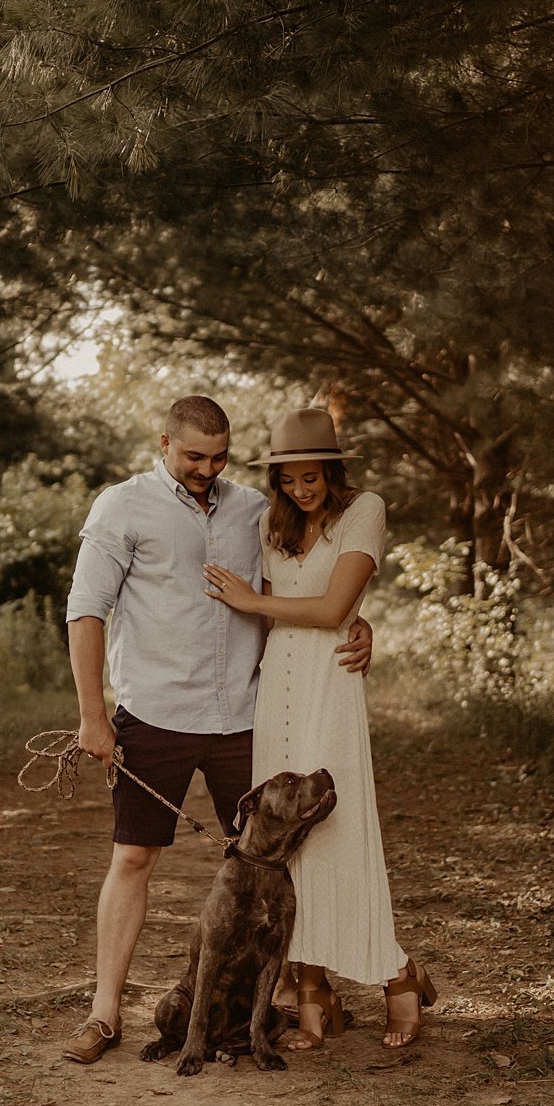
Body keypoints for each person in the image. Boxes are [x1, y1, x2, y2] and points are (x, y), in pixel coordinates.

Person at [60, 396, 372, 1064]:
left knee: (277, 857)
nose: (208, 468)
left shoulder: (250, 509)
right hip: (155, 715)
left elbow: (306, 581)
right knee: (134, 858)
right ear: (165, 441)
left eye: (220, 455)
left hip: (243, 717)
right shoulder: (122, 506)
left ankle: (290, 995)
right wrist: (93, 715)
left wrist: (357, 623)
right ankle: (105, 1012)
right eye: (194, 455)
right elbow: (86, 610)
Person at [201, 407, 435, 1050]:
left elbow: (334, 609)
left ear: (331, 469)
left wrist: (258, 602)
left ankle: (397, 975)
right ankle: (313, 990)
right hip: (277, 682)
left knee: (341, 827)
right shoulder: (270, 523)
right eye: (289, 481)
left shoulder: (365, 509)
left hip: (330, 682)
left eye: (311, 478)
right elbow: (287, 620)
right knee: (281, 843)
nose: (301, 491)